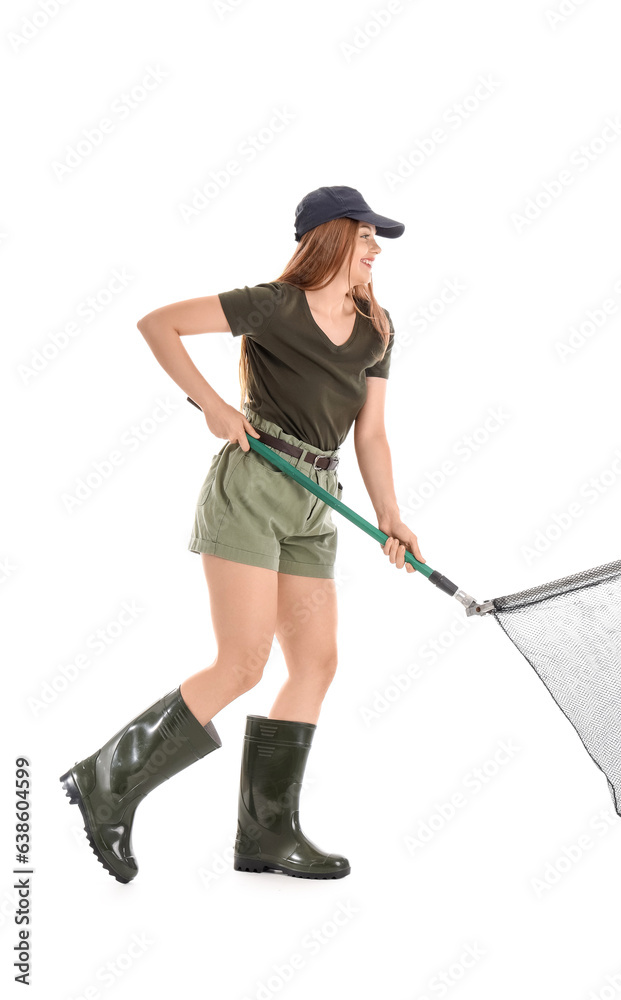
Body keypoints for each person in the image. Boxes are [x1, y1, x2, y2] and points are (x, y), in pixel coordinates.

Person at [59, 185, 424, 884]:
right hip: (254, 489)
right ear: (331, 238)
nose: (377, 250)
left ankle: (267, 834)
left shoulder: (378, 328)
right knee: (244, 660)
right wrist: (214, 405)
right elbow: (157, 325)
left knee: (316, 661)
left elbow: (371, 432)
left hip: (318, 502)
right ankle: (106, 781)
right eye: (367, 236)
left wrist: (391, 517)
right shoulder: (273, 305)